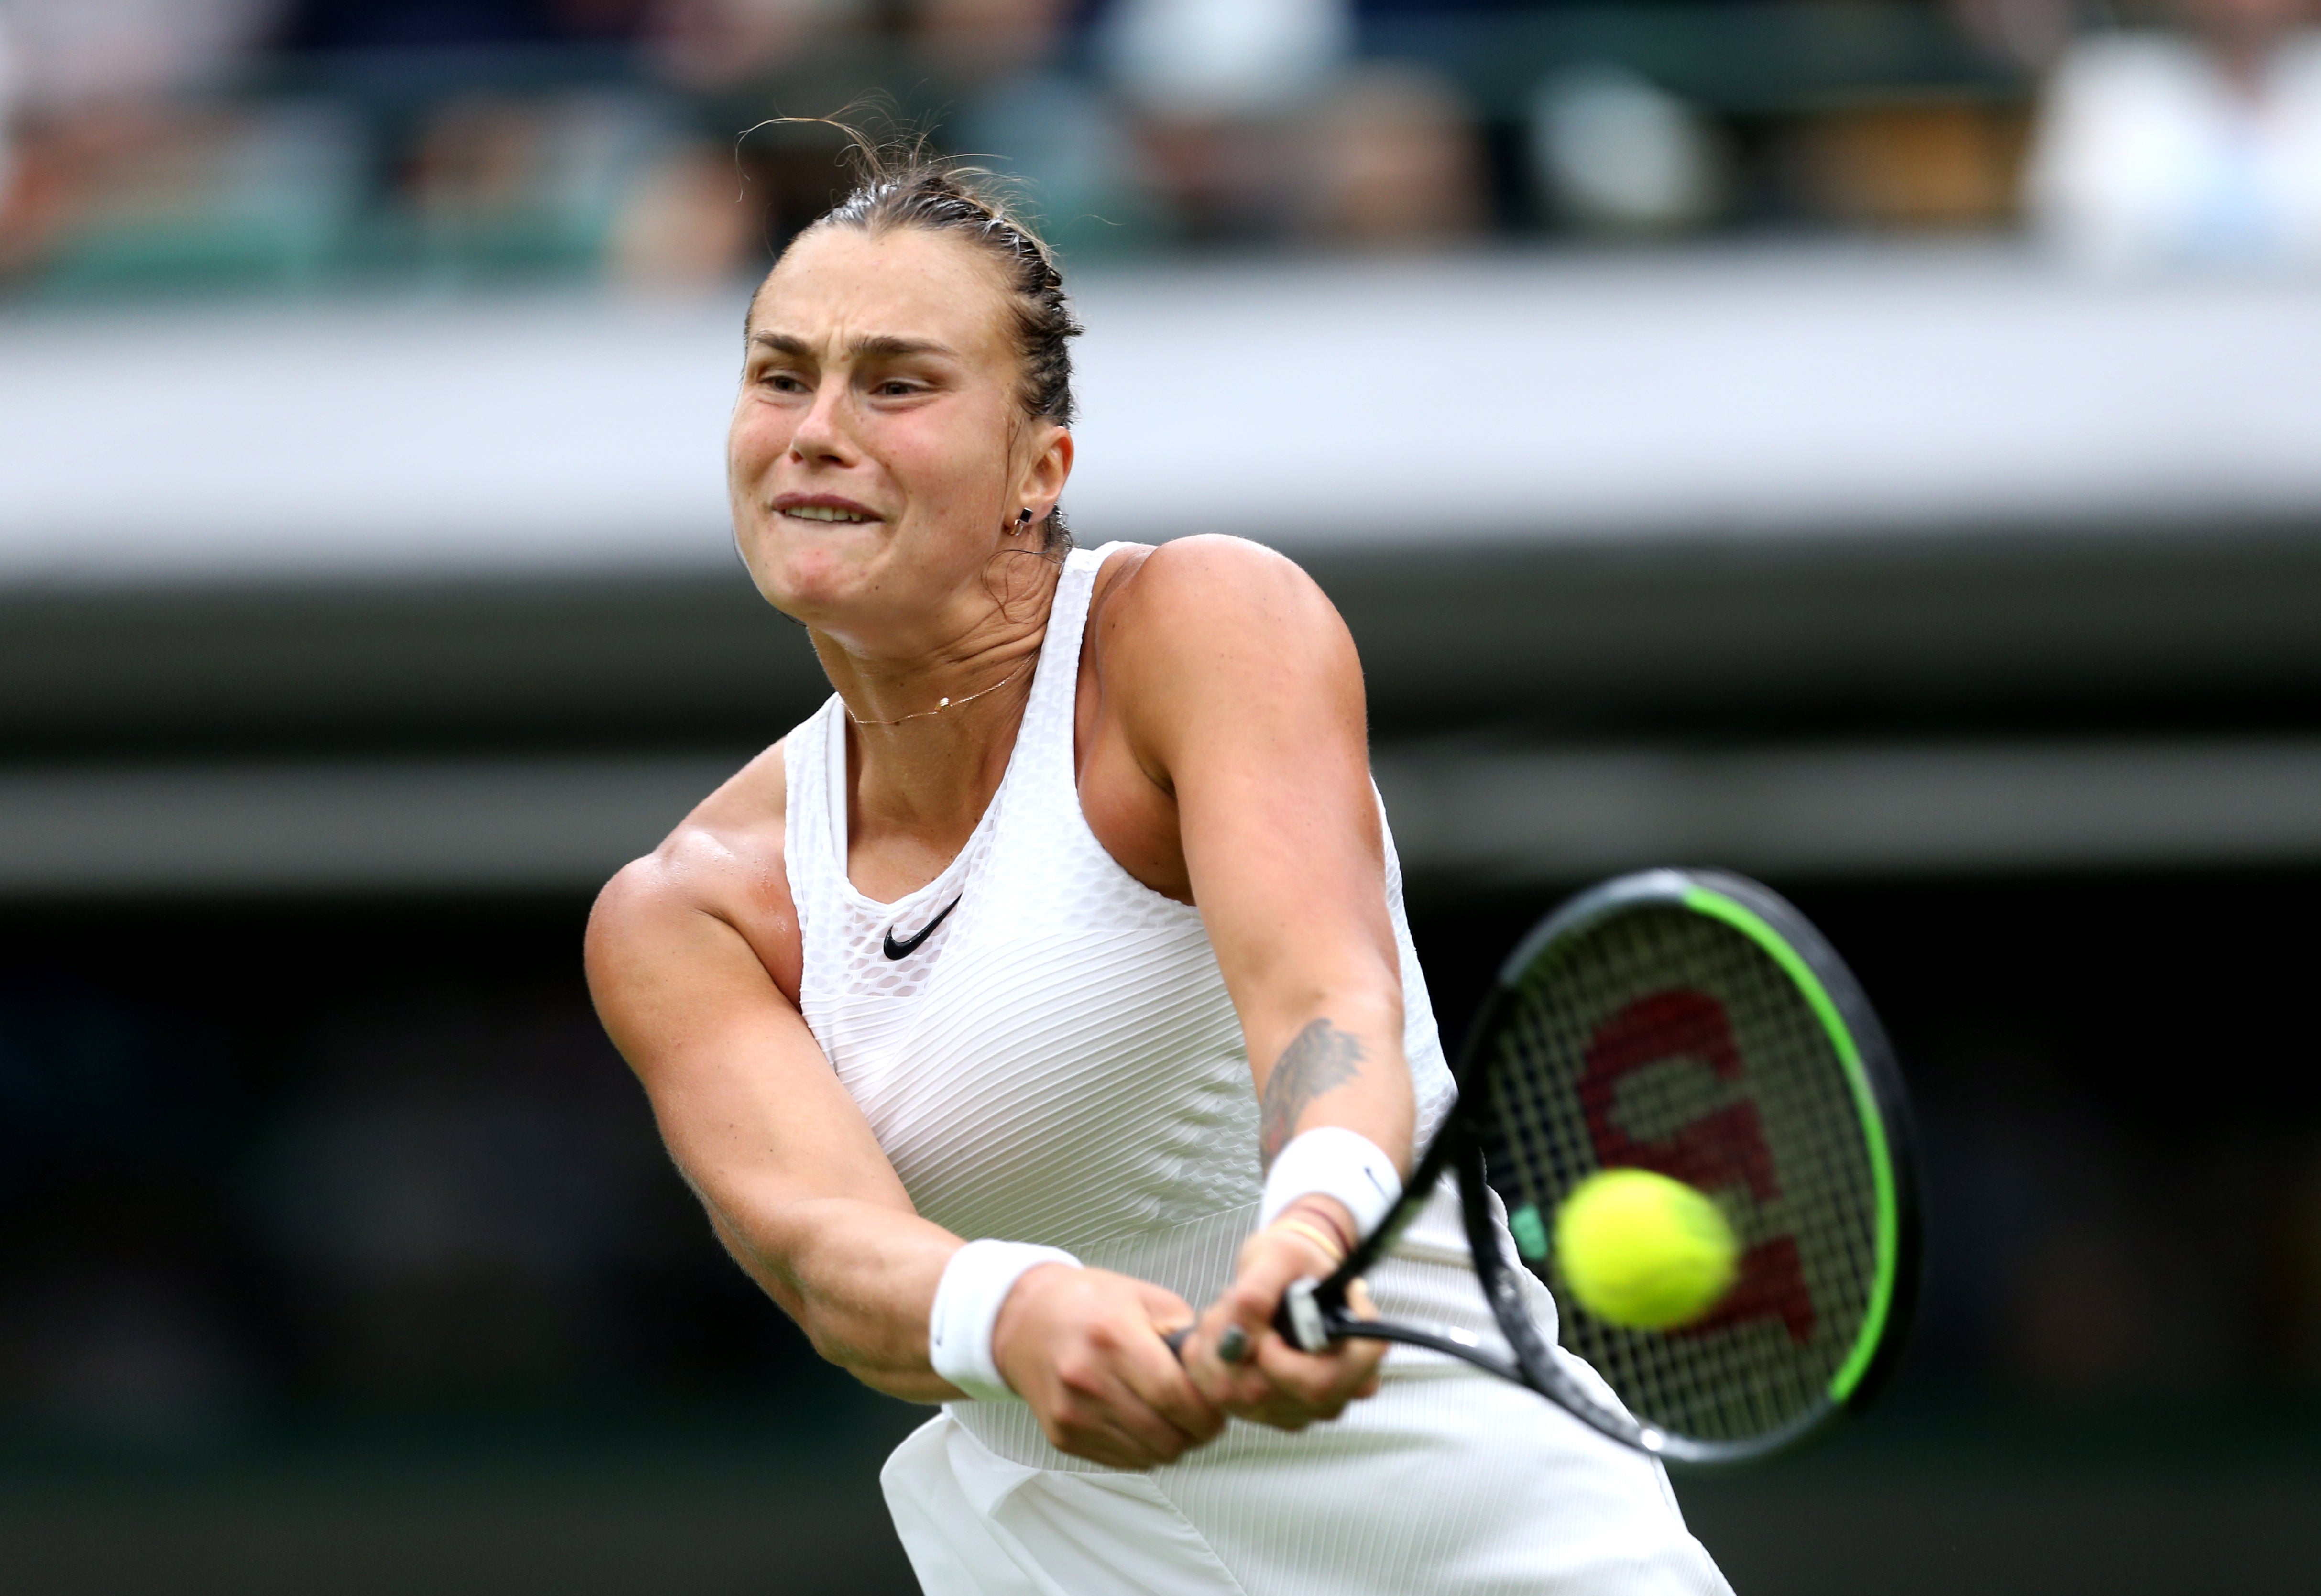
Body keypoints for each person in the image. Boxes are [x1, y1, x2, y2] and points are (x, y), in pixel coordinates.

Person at [584, 134, 1731, 1594]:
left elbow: (1330, 1001)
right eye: (779, 372)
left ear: (1036, 465)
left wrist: (1314, 1224)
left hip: (1502, 1556)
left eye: (897, 381)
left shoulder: (1200, 627)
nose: (815, 427)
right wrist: (1016, 1313)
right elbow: (826, 1251)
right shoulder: (692, 908)